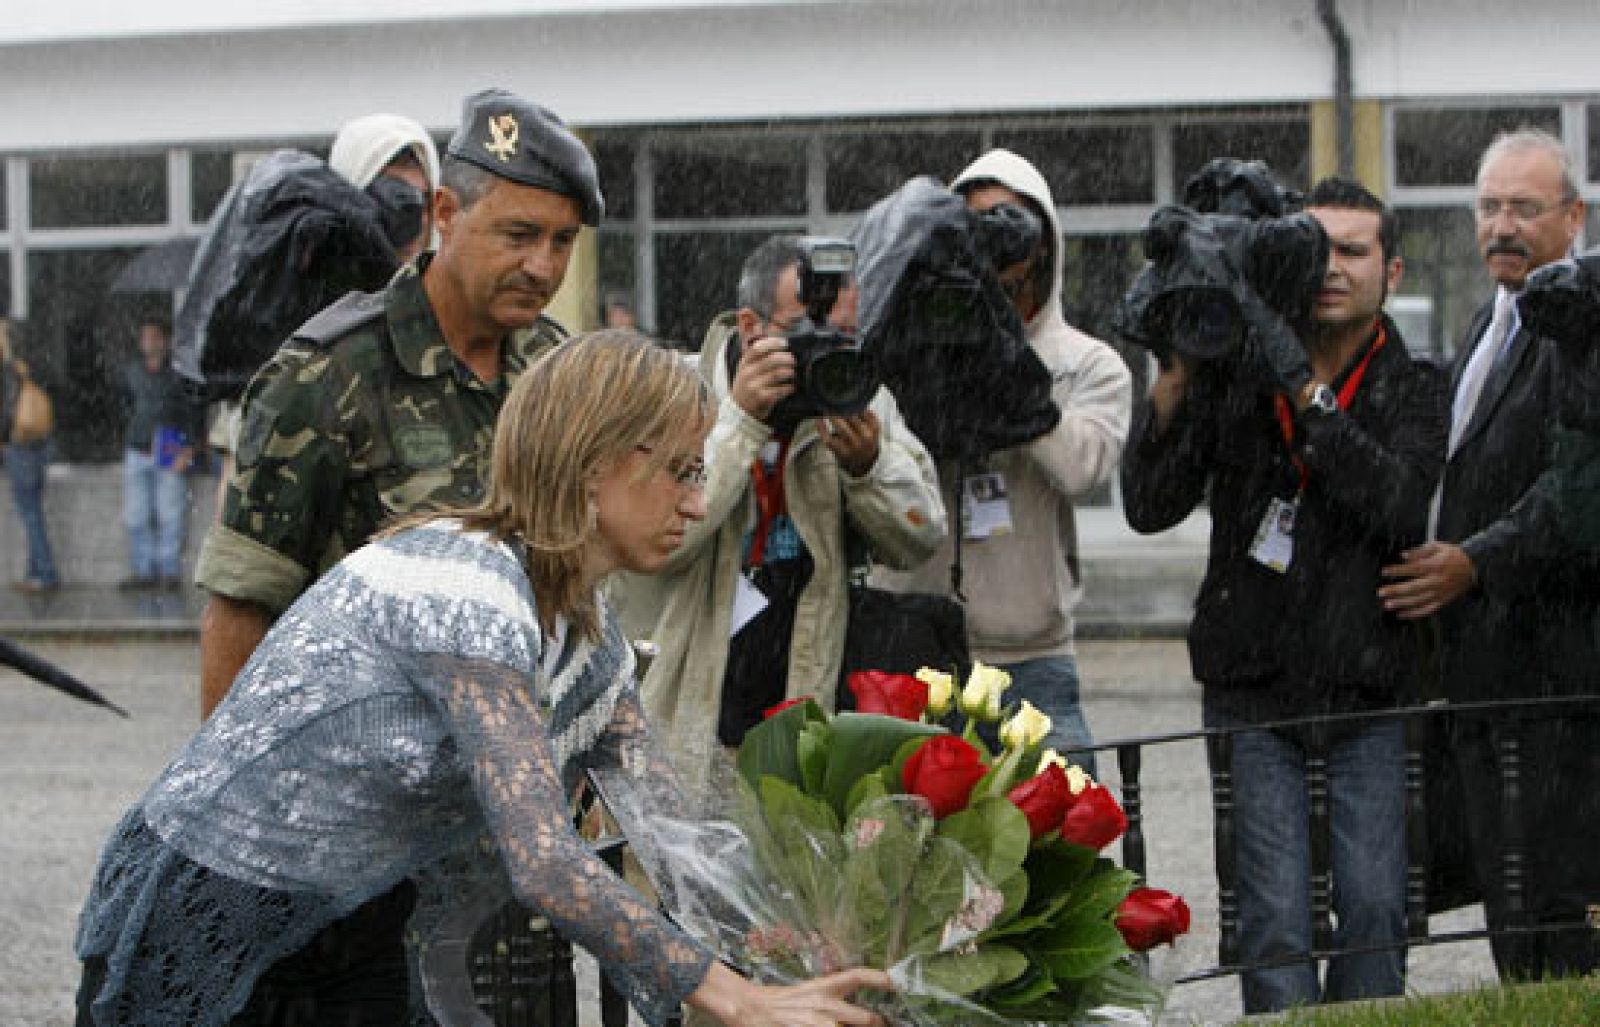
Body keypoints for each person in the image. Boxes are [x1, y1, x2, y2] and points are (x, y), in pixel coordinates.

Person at [75, 331, 892, 1026]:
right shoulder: (469, 591)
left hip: (353, 915)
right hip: (211, 911)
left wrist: (819, 948)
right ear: (592, 464)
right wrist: (739, 999)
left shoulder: (590, 638)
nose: (698, 500)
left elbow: (674, 835)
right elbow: (543, 860)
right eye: (682, 470)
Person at [1122, 176, 1446, 1013]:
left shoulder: (1415, 383)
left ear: (1392, 271)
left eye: (1354, 251)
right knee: (1273, 924)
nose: (1331, 269)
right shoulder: (1239, 369)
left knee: (1375, 911)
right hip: (1254, 688)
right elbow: (1150, 504)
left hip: (1370, 687)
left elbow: (1396, 506)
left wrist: (1306, 392)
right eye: (1315, 249)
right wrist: (1173, 374)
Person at [195, 88, 602, 717]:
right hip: (361, 749)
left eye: (562, 241)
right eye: (519, 235)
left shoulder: (557, 372)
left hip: (519, 748)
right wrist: (227, 772)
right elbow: (241, 609)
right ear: (446, 213)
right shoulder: (326, 374)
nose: (542, 267)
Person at [1379, 128, 1600, 980]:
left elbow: (1578, 490)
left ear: (1574, 217)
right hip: (1486, 677)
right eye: (1489, 207)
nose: (1503, 226)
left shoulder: (1580, 321)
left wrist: (1475, 560)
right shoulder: (1492, 318)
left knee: (1565, 913)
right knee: (1512, 912)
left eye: (1525, 208)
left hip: (1560, 684)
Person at [637, 235, 945, 794]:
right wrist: (740, 421)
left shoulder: (857, 397)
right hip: (691, 711)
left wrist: (868, 468)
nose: (824, 350)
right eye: (804, 332)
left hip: (804, 706)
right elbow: (657, 540)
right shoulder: (676, 390)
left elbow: (920, 539)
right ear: (750, 327)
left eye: (841, 335)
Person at [871, 149, 1132, 773]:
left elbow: (1081, 469)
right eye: (971, 223)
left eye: (1007, 221)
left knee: (1061, 832)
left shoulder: (1086, 364)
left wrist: (1006, 364)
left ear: (1044, 244)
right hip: (914, 646)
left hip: (1031, 656)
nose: (989, 238)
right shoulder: (906, 348)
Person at [204, 113, 442, 489]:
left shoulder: (448, 317)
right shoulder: (293, 316)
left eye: (425, 202)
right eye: (395, 200)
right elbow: (238, 486)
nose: (415, 221)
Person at [119, 318, 202, 591]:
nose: (149, 343)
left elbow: (192, 410)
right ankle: (143, 570)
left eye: (155, 337)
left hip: (169, 447)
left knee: (170, 513)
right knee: (136, 515)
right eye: (145, 337)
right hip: (138, 446)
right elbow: (124, 404)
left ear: (165, 341)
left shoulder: (177, 373)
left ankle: (169, 571)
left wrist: (189, 447)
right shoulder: (133, 371)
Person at [1, 317, 60, 593]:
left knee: (30, 513)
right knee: (33, 509)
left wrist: (3, 438)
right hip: (39, 443)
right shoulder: (38, 365)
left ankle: (44, 573)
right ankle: (35, 572)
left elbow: (8, 410)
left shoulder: (10, 370)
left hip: (21, 445)